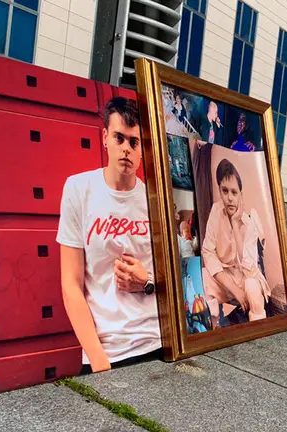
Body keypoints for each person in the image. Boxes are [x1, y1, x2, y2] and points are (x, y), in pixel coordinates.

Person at [57, 97, 160, 374]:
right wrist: (98, 359)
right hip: (108, 350)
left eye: (134, 142)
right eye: (119, 138)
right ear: (105, 138)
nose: (126, 148)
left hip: (157, 341)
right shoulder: (78, 189)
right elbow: (70, 283)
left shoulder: (155, 200)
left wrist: (147, 282)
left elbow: (171, 279)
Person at [201, 158, 270, 328]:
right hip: (226, 277)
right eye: (225, 191)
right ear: (219, 190)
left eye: (234, 192)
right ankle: (214, 324)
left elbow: (249, 268)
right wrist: (233, 288)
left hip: (246, 276)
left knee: (252, 288)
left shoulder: (249, 222)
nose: (230, 198)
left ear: (240, 194)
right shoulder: (216, 211)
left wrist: (235, 224)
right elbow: (208, 252)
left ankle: (258, 331)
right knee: (202, 277)